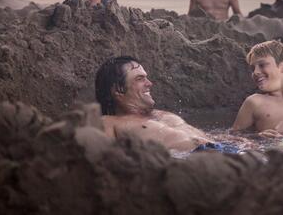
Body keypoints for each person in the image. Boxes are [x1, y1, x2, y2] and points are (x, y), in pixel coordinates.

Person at [95, 56, 235, 153]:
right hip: (193, 161)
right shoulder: (109, 122)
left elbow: (197, 136)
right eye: (140, 79)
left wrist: (231, 139)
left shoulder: (161, 114)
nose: (150, 83)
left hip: (227, 149)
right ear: (118, 90)